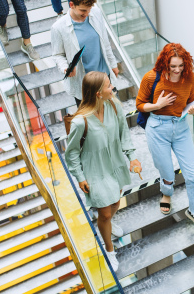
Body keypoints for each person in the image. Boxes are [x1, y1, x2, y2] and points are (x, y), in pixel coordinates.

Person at [65, 71, 142, 272]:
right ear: (98, 93)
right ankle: (109, 249)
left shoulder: (115, 105)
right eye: (108, 86)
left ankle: (104, 221)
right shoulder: (80, 121)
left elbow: (123, 133)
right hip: (94, 170)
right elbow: (71, 153)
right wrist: (80, 177)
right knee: (106, 212)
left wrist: (131, 156)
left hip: (114, 164)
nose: (112, 89)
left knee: (116, 201)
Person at [136, 43, 194, 231]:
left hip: (180, 127)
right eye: (173, 66)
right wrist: (157, 105)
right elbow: (140, 104)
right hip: (157, 127)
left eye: (181, 66)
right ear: (165, 63)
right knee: (167, 171)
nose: (177, 70)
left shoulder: (189, 78)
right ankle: (166, 194)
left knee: (192, 174)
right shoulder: (152, 78)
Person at [52, 0, 119, 106]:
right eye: (83, 10)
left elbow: (105, 42)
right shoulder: (58, 27)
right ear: (71, 5)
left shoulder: (96, 13)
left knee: (115, 113)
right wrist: (65, 67)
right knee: (91, 122)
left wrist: (113, 64)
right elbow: (58, 54)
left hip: (104, 78)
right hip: (84, 84)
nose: (87, 13)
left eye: (89, 9)